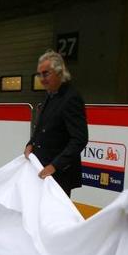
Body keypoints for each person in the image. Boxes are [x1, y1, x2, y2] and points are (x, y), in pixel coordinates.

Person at [23, 50, 88, 197]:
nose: (42, 79)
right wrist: (31, 143)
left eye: (46, 74)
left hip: (59, 174)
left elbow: (79, 139)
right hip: (43, 169)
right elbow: (42, 126)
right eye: (39, 74)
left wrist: (55, 166)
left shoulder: (71, 98)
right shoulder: (50, 94)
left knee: (56, 218)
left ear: (59, 72)